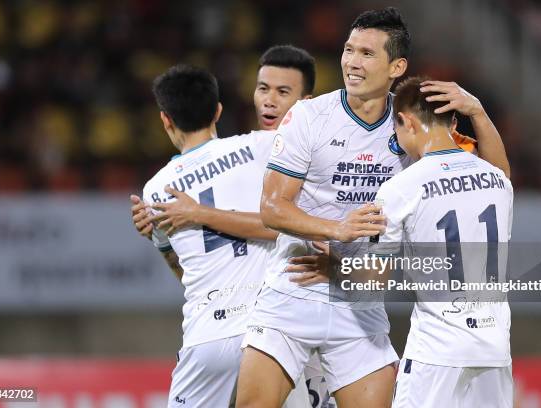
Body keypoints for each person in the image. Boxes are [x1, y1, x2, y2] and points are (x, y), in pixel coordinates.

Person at [236, 7, 510, 408]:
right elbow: (272, 208)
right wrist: (337, 229)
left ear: (396, 65)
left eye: (367, 53)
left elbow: (493, 178)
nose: (352, 62)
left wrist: (477, 111)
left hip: (359, 303)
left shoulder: (412, 120)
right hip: (293, 291)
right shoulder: (310, 117)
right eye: (349, 50)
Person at [142, 64, 314, 408]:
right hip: (271, 334)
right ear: (218, 110)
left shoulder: (157, 190)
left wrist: (157, 235)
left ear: (165, 120)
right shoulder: (261, 148)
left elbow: (180, 269)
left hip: (207, 335)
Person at [377, 76, 513, 407]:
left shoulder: (401, 188)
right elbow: (503, 171)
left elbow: (370, 278)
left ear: (404, 121)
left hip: (437, 351)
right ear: (454, 122)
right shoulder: (498, 180)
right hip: (494, 348)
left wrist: (335, 258)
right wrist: (478, 112)